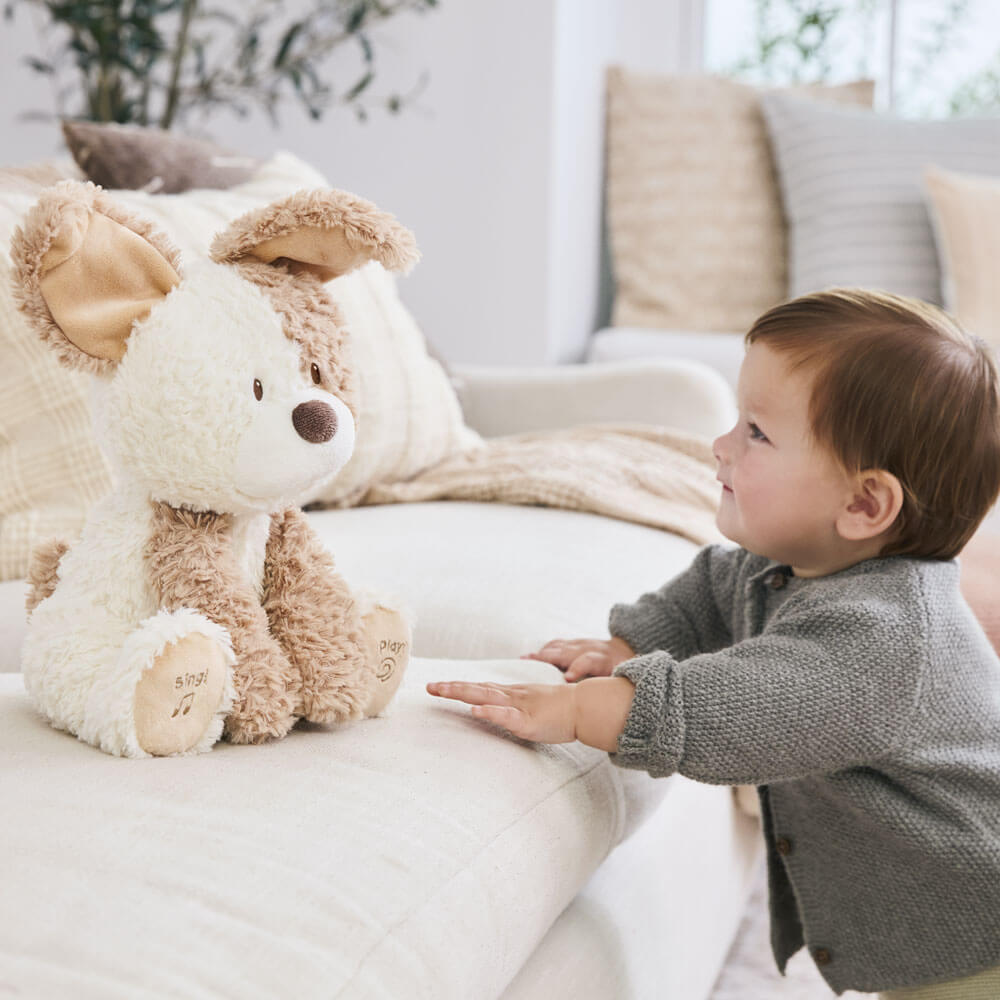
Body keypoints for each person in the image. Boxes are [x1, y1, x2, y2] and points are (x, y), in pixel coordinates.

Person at [427, 289, 1000, 999]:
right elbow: (713, 586)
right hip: (935, 925)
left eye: (756, 432)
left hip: (978, 933)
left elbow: (726, 707)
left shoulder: (881, 642)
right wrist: (628, 644)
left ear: (862, 505)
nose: (720, 445)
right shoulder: (794, 565)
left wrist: (580, 711)